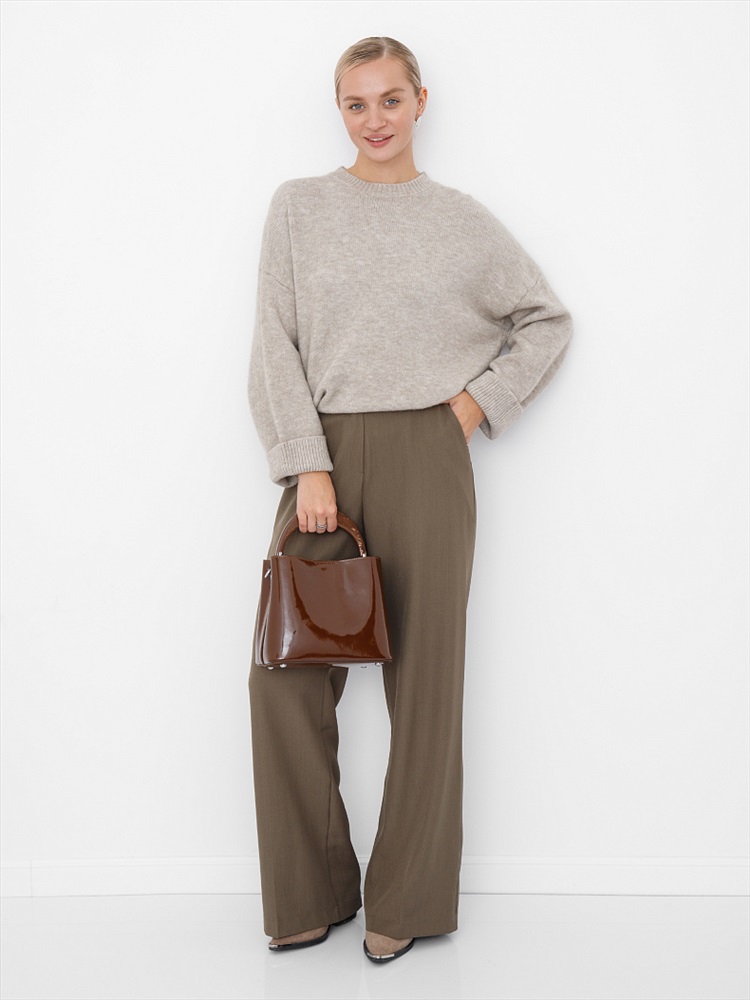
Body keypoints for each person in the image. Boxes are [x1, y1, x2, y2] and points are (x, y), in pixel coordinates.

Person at [246, 35, 573, 963]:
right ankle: (309, 888)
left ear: (420, 102)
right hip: (326, 460)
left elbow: (547, 321)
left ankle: (407, 897)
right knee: (285, 675)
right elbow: (273, 340)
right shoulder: (300, 207)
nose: (375, 119)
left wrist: (469, 409)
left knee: (426, 682)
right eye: (356, 103)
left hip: (430, 456)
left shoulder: (461, 221)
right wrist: (306, 463)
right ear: (339, 110)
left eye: (390, 100)